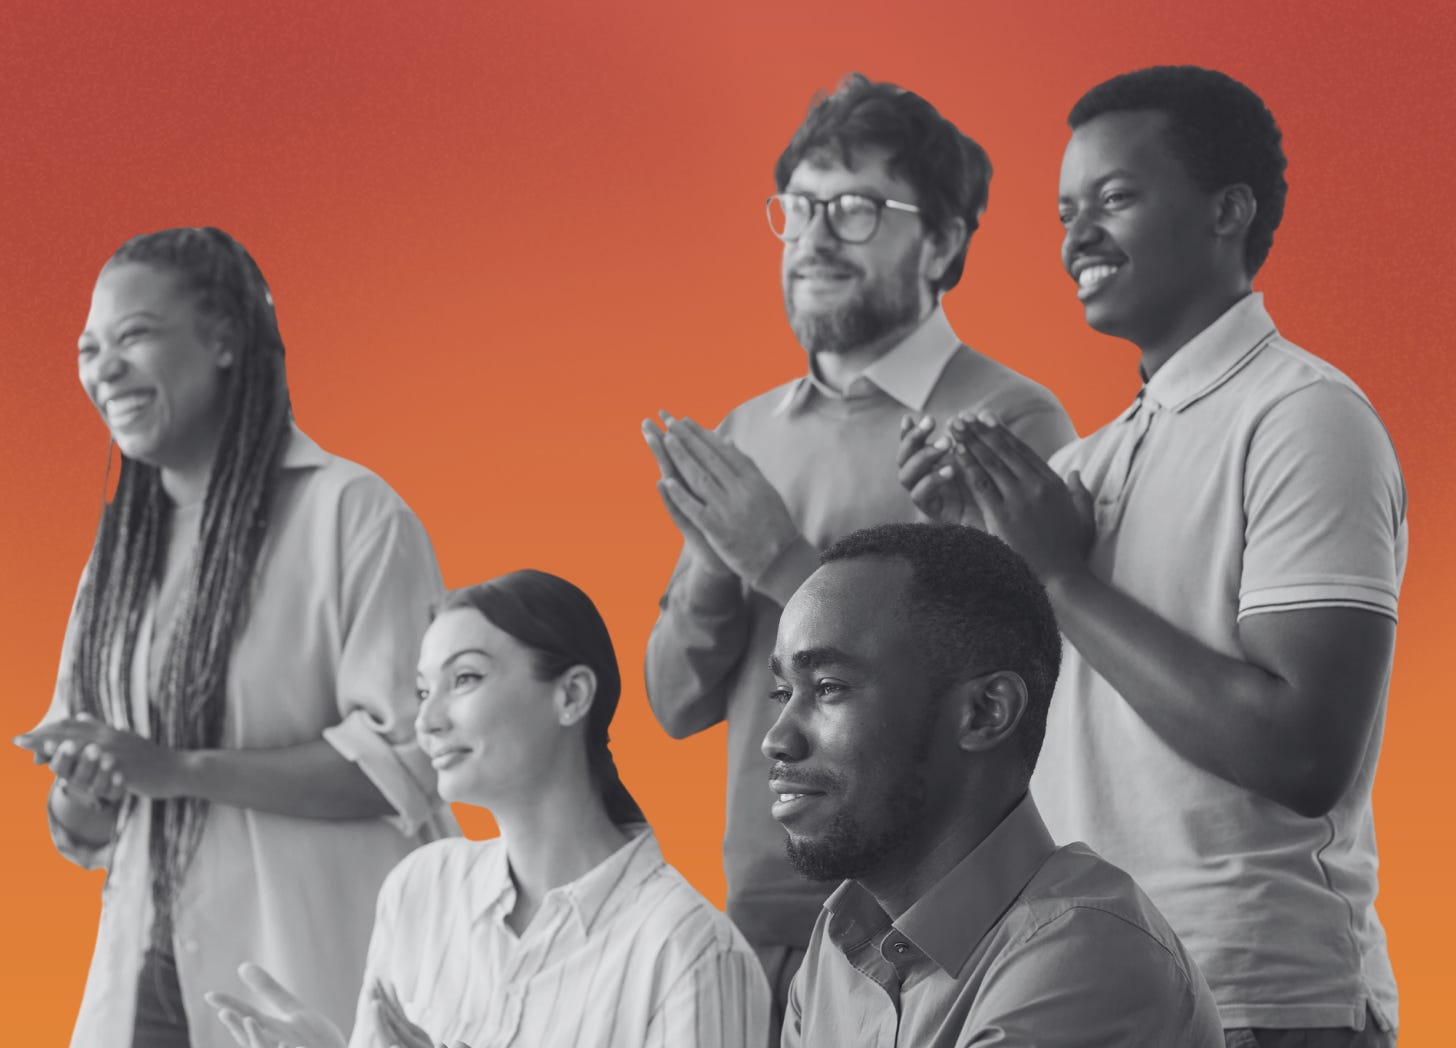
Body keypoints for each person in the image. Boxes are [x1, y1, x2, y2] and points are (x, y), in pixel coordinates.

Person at [901, 67, 1404, 1045]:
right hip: (1078, 989)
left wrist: (1058, 577)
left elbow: (1303, 753)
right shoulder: (1080, 467)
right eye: (1064, 212)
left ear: (1228, 211)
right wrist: (974, 546)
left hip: (1257, 1005)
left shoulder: (1304, 418)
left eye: (1115, 198)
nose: (1075, 237)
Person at [641, 72, 1074, 1037]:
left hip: (934, 929)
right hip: (755, 920)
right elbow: (673, 703)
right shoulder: (746, 429)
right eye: (798, 208)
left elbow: (1015, 684)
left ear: (943, 241)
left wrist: (776, 555)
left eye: (856, 208)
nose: (813, 237)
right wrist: (716, 558)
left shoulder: (1009, 420)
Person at [14, 227, 454, 1048]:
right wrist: (89, 784)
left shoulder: (351, 514)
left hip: (305, 972)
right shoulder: (121, 553)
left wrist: (179, 770)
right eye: (89, 349)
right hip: (149, 973)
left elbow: (407, 764)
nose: (104, 370)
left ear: (223, 340)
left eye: (134, 336)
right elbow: (82, 826)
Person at [206, 570, 770, 1048]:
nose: (427, 721)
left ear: (572, 695)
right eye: (424, 691)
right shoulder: (419, 890)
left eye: (465, 679)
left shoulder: (694, 952)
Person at [764, 522, 1222, 1046]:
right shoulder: (838, 942)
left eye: (828, 688)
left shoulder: (1083, 957)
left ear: (985, 712)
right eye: (782, 693)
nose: (777, 740)